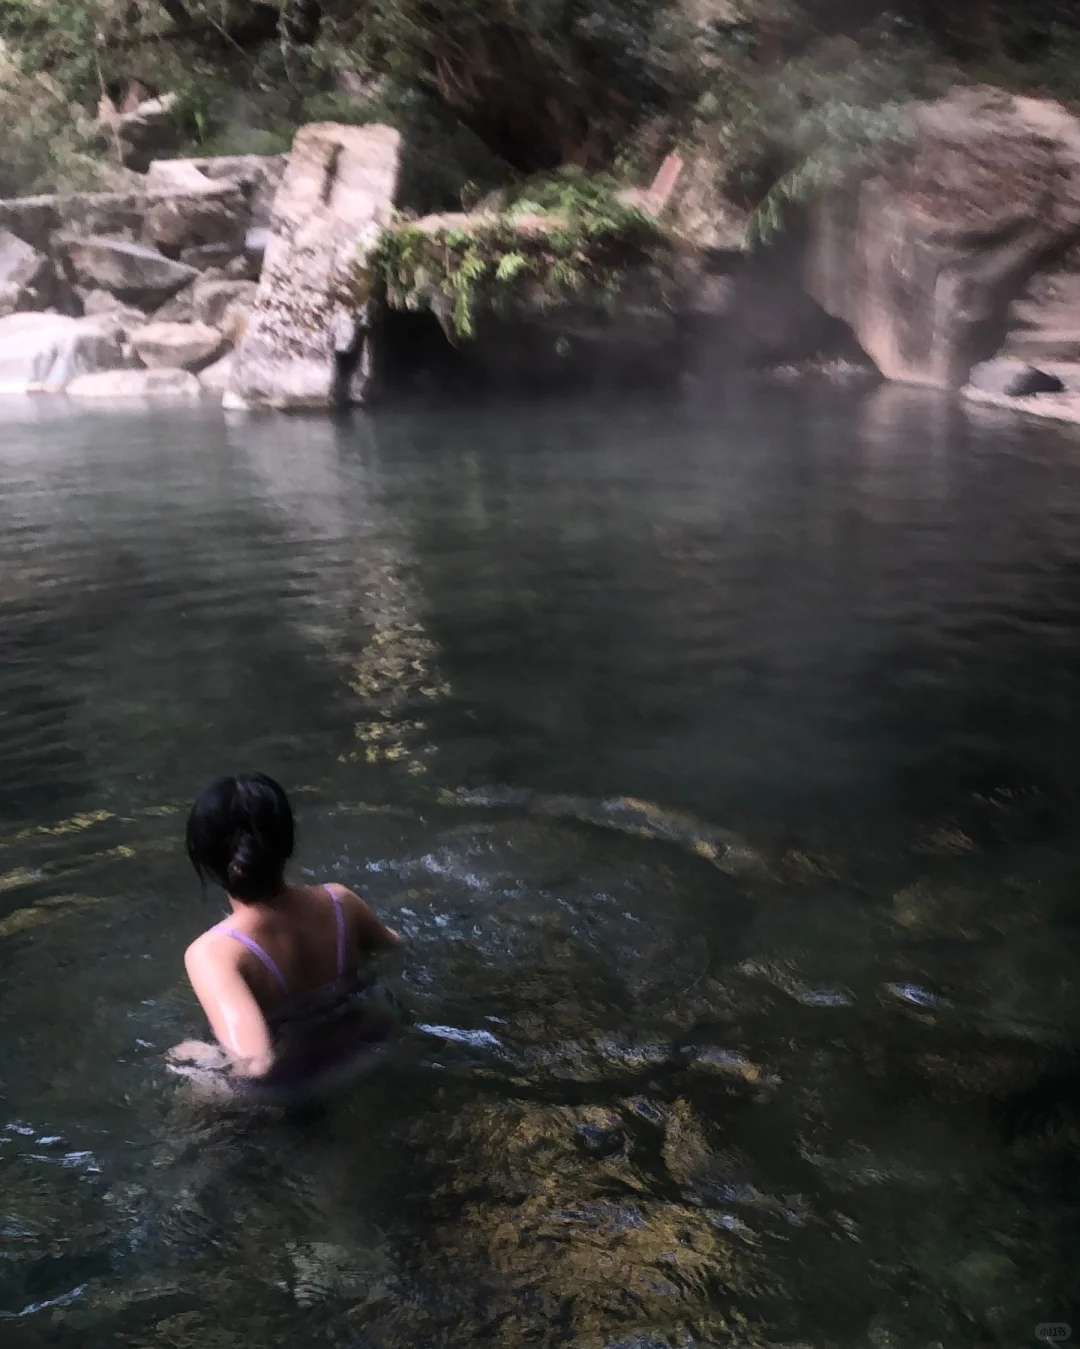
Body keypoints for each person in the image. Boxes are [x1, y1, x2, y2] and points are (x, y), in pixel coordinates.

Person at [167, 772, 402, 1103]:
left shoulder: (215, 953)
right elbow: (396, 947)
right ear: (287, 842)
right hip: (370, 1045)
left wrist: (198, 1055)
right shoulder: (340, 901)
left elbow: (256, 1065)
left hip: (301, 1084)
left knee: (181, 1065)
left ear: (206, 859)